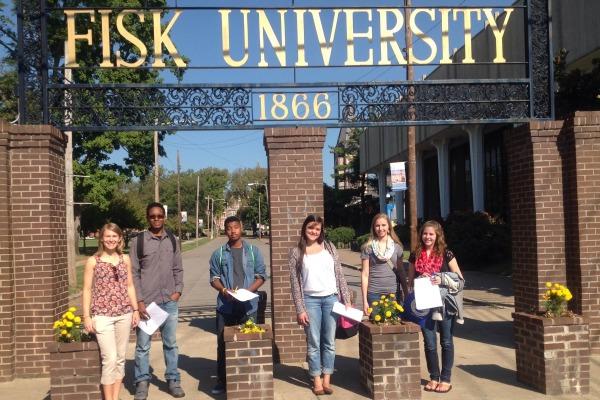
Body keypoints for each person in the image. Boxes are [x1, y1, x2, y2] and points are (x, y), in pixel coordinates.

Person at [289, 215, 352, 396]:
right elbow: (294, 284)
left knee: (329, 342)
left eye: (317, 229)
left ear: (321, 230)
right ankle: (316, 379)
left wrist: (346, 299)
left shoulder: (330, 248)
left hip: (331, 300)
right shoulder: (296, 252)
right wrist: (300, 309)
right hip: (310, 301)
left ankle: (327, 379)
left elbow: (339, 275)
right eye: (311, 228)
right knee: (313, 342)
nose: (314, 232)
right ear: (304, 228)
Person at [130, 202, 185, 400]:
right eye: (152, 216)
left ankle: (173, 379)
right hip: (148, 303)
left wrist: (178, 291)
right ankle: (142, 382)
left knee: (170, 343)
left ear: (164, 217)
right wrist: (140, 301)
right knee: (143, 346)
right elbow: (134, 273)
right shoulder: (138, 242)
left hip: (169, 300)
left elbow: (178, 268)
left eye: (159, 216)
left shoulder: (172, 239)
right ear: (148, 218)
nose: (156, 219)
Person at [209, 216, 267, 395]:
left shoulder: (253, 251)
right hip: (226, 306)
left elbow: (261, 276)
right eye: (228, 228)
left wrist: (247, 292)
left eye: (235, 227)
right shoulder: (218, 254)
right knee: (223, 343)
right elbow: (214, 279)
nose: (232, 231)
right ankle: (222, 380)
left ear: (241, 228)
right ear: (225, 230)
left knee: (248, 342)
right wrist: (224, 290)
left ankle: (247, 379)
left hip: (248, 305)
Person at [82, 223, 140, 400]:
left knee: (121, 358)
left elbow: (129, 285)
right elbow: (87, 290)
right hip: (102, 315)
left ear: (120, 238)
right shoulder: (94, 261)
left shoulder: (125, 259)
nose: (111, 240)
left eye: (114, 236)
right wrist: (86, 316)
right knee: (110, 359)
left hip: (124, 313)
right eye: (107, 236)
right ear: (101, 238)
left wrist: (135, 309)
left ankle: (115, 397)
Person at [408, 220, 464, 394]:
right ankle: (434, 377)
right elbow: (410, 282)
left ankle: (446, 379)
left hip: (445, 304)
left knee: (446, 341)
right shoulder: (415, 255)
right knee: (429, 343)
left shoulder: (446, 254)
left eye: (431, 234)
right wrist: (420, 279)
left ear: (438, 235)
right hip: (424, 304)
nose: (427, 237)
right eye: (425, 233)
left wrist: (442, 278)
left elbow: (460, 280)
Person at [360, 213, 408, 315]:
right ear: (373, 228)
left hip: (393, 294)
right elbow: (365, 274)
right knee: (377, 328)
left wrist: (406, 293)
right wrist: (364, 300)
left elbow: (401, 272)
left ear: (389, 227)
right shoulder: (367, 248)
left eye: (383, 225)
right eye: (377, 225)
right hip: (374, 294)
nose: (380, 228)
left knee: (393, 327)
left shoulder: (397, 247)